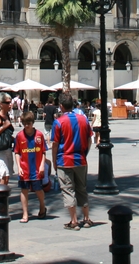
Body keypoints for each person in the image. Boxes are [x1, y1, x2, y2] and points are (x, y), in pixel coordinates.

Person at [51, 93, 93, 231]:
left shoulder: (58, 122)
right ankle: (86, 219)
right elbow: (89, 139)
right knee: (82, 188)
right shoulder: (83, 120)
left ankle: (74, 221)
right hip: (80, 159)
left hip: (64, 160)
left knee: (68, 190)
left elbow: (55, 144)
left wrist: (54, 161)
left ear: (61, 106)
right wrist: (84, 153)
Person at [14, 111, 47, 223]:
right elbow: (17, 152)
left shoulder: (39, 135)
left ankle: (42, 206)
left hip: (37, 168)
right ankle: (25, 214)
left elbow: (43, 151)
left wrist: (42, 165)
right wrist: (19, 167)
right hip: (24, 168)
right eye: (24, 123)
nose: (27, 125)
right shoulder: (19, 136)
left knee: (38, 189)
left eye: (29, 123)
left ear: (33, 123)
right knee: (24, 190)